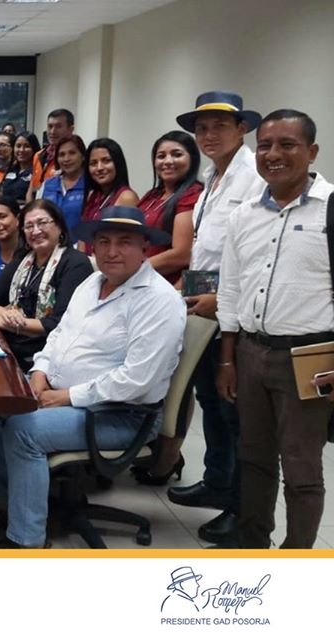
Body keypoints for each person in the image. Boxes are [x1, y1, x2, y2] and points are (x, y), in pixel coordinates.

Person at [0, 206, 185, 547]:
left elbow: (137, 379)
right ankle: (5, 501)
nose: (112, 251)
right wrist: (39, 373)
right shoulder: (91, 283)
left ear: (144, 247)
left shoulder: (159, 300)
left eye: (124, 242)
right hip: (62, 392)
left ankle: (26, 539)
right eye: (104, 242)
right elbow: (58, 335)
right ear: (93, 246)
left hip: (119, 414)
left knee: (24, 430)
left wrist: (65, 397)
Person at [216, 109, 333, 549]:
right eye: (264, 145)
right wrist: (227, 359)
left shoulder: (330, 208)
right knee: (254, 459)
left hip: (309, 357)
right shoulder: (244, 214)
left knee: (302, 469)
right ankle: (253, 547)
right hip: (250, 352)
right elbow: (230, 290)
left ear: (312, 152)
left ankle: (297, 558)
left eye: (287, 144)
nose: (273, 154)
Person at [157, 92, 265, 548]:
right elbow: (207, 249)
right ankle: (217, 481)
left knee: (234, 412)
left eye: (219, 126)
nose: (208, 135)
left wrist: (221, 299)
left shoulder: (254, 176)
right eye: (202, 128)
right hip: (202, 304)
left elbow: (260, 252)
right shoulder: (211, 177)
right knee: (209, 401)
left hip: (233, 310)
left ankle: (241, 508)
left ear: (242, 129)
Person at [0, 199, 93, 367]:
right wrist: (4, 314)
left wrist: (6, 323)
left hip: (44, 355)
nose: (36, 231)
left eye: (42, 223)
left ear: (59, 226)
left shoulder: (75, 263)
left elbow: (58, 323)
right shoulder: (25, 258)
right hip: (11, 343)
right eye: (29, 226)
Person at [137, 131, 204, 284]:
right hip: (139, 280)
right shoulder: (152, 195)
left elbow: (182, 254)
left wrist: (132, 268)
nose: (168, 161)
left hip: (169, 285)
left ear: (192, 159)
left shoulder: (193, 195)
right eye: (161, 156)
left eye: (177, 155)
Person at [79, 138, 139, 253]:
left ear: (118, 163)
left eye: (106, 161)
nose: (99, 168)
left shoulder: (126, 198)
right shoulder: (92, 196)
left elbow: (126, 245)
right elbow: (83, 237)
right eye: (93, 163)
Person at [36, 134, 87, 236]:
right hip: (49, 243)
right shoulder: (47, 185)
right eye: (62, 155)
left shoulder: (90, 186)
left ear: (83, 156)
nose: (66, 159)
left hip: (80, 244)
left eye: (72, 153)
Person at [28, 109, 75, 198]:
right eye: (50, 126)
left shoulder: (75, 158)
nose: (52, 131)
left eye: (58, 126)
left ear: (70, 129)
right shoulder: (39, 155)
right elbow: (31, 189)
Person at [0, 131, 39, 205]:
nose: (21, 150)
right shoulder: (10, 169)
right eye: (18, 146)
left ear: (34, 148)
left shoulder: (37, 171)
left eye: (27, 146)